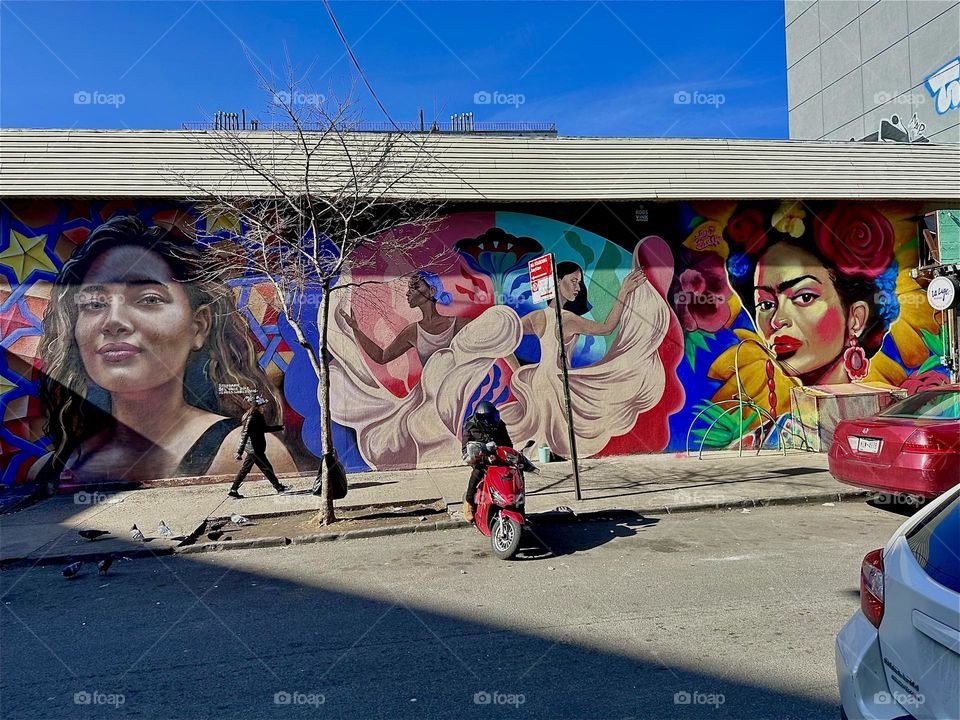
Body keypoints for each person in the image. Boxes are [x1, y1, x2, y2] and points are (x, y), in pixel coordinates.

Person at [32, 214, 296, 487]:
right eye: (94, 303)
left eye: (148, 299)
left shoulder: (236, 455)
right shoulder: (49, 469)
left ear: (199, 326)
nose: (113, 322)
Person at [500, 243, 672, 458]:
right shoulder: (569, 319)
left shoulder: (537, 317)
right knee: (562, 435)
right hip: (556, 383)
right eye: (573, 281)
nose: (578, 287)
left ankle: (535, 456)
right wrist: (623, 291)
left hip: (538, 381)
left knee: (545, 435)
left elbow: (504, 338)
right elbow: (607, 328)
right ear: (557, 282)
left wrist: (518, 371)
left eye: (579, 282)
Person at [338, 271, 471, 366]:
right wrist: (356, 330)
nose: (408, 293)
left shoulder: (458, 324)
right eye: (409, 288)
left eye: (415, 287)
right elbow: (382, 357)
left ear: (432, 291)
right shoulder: (413, 332)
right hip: (431, 399)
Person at [461, 401, 513, 522]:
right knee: (478, 473)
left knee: (514, 473)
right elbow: (465, 450)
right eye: (488, 418)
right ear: (481, 419)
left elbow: (508, 444)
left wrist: (510, 454)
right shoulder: (471, 427)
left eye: (493, 416)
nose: (492, 420)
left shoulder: (499, 425)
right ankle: (469, 503)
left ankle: (517, 503)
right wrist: (482, 456)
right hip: (480, 458)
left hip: (499, 456)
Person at [228, 397, 289, 498]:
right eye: (262, 405)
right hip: (254, 449)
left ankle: (233, 490)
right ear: (257, 407)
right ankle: (279, 488)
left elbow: (263, 429)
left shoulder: (258, 416)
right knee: (266, 468)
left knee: (246, 469)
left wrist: (280, 427)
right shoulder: (253, 417)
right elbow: (245, 434)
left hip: (254, 448)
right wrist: (239, 451)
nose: (264, 407)